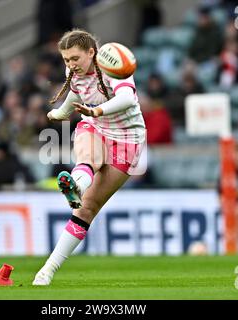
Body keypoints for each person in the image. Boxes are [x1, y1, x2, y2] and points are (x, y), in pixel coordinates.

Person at [32, 29, 146, 285]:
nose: (71, 65)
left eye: (75, 58)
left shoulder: (112, 67)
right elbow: (75, 91)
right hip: (96, 127)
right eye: (66, 60)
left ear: (91, 52)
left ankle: (50, 266)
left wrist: (97, 110)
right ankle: (45, 271)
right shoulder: (72, 73)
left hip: (127, 139)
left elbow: (128, 98)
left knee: (88, 209)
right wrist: (63, 112)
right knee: (87, 158)